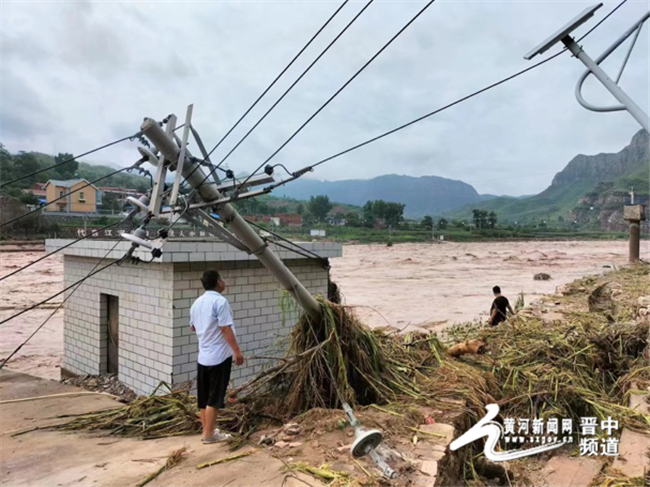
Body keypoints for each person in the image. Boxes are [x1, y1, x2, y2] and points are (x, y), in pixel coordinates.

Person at [190, 270, 244, 444]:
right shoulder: (220, 301)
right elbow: (225, 328)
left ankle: (207, 431)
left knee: (203, 397)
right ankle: (209, 436)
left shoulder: (197, 303)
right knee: (215, 397)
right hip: (219, 357)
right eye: (222, 278)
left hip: (203, 356)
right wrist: (236, 351)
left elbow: (193, 328)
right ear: (219, 282)